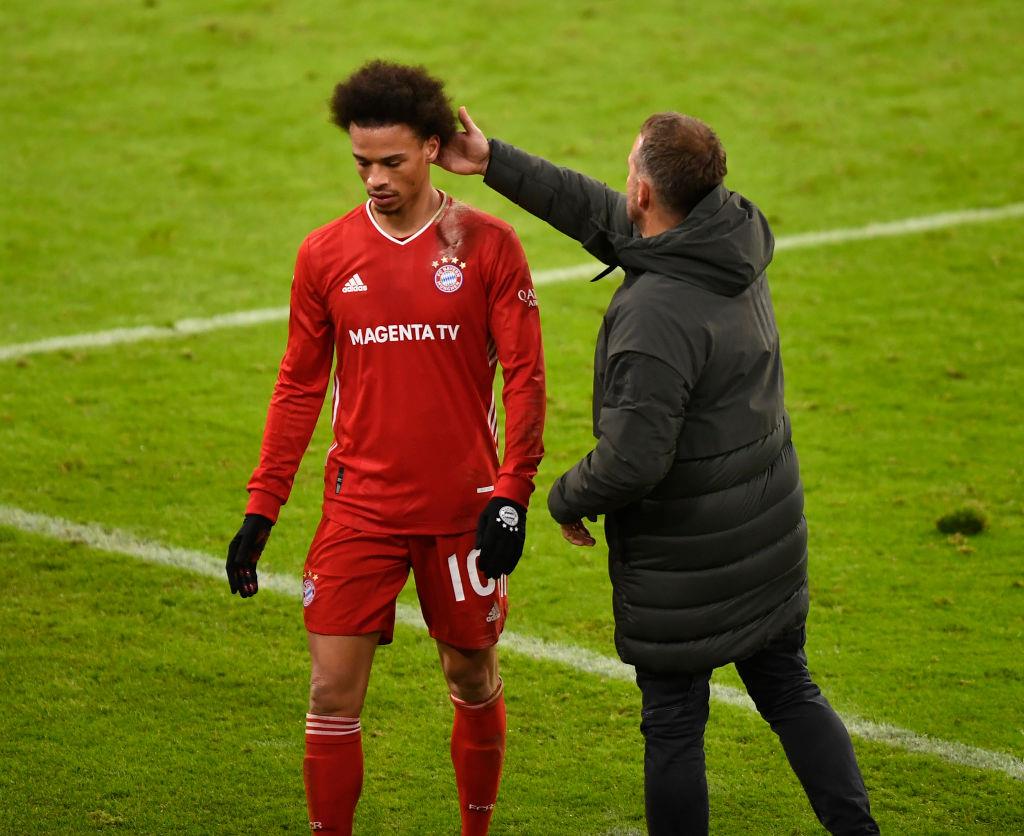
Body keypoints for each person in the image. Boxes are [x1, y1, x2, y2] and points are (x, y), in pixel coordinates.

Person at [436, 110, 879, 835]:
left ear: (645, 191)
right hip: (765, 534)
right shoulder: (728, 237)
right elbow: (604, 216)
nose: (623, 185)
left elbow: (633, 461)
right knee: (790, 691)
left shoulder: (653, 317)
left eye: (630, 171)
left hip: (685, 562)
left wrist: (565, 496)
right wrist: (494, 161)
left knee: (673, 725)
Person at [225, 62, 545, 835]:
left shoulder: (489, 246)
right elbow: (299, 386)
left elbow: (526, 378)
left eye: (391, 161)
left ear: (432, 147)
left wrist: (512, 493)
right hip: (359, 510)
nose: (374, 179)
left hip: (461, 513)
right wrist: (262, 508)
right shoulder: (325, 254)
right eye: (361, 162)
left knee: (471, 675)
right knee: (330, 695)